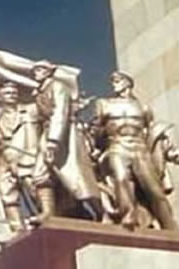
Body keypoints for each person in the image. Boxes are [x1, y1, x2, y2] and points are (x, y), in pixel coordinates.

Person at [93, 71, 179, 230]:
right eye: (114, 81)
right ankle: (127, 216)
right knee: (121, 179)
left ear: (128, 83)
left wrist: (178, 157)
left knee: (153, 189)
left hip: (140, 149)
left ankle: (169, 223)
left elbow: (155, 135)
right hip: (117, 146)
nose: (115, 83)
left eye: (118, 80)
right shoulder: (104, 104)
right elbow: (96, 130)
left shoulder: (143, 107)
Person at [30, 60, 103, 223]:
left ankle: (101, 211)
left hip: (64, 135)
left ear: (49, 71)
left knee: (77, 179)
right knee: (39, 174)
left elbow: (60, 113)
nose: (36, 72)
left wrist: (53, 142)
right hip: (48, 133)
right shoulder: (38, 92)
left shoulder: (58, 87)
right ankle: (48, 212)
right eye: (35, 70)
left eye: (40, 69)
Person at [0, 81, 50, 232]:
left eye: (14, 93)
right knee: (7, 192)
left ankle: (47, 214)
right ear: (0, 97)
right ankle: (16, 226)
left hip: (27, 155)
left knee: (33, 188)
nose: (11, 95)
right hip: (5, 158)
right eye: (7, 93)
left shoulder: (30, 110)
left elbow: (47, 114)